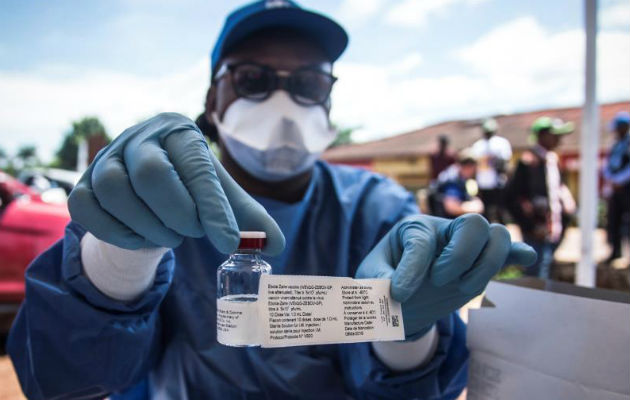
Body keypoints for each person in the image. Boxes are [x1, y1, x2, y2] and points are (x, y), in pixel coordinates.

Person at [8, 2, 535, 399]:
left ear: (329, 99)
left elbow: (414, 388)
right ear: (211, 100)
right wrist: (116, 262)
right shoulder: (147, 198)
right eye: (254, 80)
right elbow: (61, 378)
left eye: (307, 82)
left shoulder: (374, 210)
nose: (283, 103)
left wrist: (404, 333)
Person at [505, 117, 575, 279]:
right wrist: (531, 226)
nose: (559, 139)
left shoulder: (551, 161)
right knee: (535, 277)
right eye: (554, 135)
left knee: (544, 271)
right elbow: (512, 198)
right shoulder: (529, 162)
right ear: (542, 136)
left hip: (550, 229)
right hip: (536, 231)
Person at [471, 118, 512, 223]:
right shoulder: (477, 146)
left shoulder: (501, 143)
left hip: (498, 183)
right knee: (486, 211)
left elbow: (506, 162)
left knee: (501, 210)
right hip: (483, 184)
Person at [602, 111, 630, 263]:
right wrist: (611, 181)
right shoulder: (615, 145)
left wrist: (620, 180)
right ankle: (615, 251)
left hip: (626, 189)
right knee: (613, 221)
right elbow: (607, 166)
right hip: (615, 190)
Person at [433, 149, 484, 218]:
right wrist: (475, 208)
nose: (471, 169)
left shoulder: (463, 178)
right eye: (467, 165)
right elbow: (452, 207)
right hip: (448, 223)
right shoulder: (452, 180)